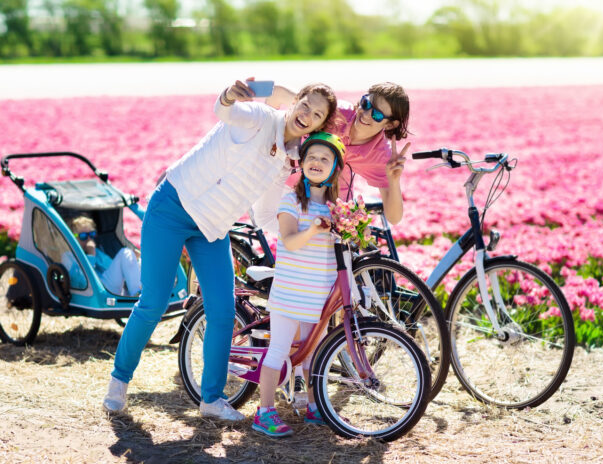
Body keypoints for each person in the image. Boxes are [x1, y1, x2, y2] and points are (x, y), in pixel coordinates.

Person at [103, 79, 338, 420]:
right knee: (153, 302)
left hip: (212, 228)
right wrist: (229, 95)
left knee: (223, 310)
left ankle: (211, 399)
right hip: (173, 205)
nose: (308, 115)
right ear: (295, 100)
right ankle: (118, 382)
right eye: (306, 105)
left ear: (318, 125)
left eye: (317, 115)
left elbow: (265, 214)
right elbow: (225, 111)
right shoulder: (261, 117)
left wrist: (310, 231)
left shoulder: (289, 160)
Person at [252, 132, 345, 438]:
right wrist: (314, 230)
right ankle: (264, 411)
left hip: (318, 296)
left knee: (314, 354)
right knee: (278, 350)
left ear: (334, 168)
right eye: (311, 157)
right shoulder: (291, 200)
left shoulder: (335, 208)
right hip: (291, 293)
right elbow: (290, 241)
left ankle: (315, 406)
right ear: (302, 163)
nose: (317, 163)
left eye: (325, 159)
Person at [257, 82, 410, 226]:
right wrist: (265, 139)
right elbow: (277, 94)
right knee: (282, 229)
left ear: (390, 124)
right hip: (285, 183)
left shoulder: (380, 155)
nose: (366, 114)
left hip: (331, 206)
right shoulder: (336, 112)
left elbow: (394, 218)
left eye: (377, 115)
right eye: (366, 104)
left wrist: (394, 180)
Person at [63, 215, 141, 296]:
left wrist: (132, 261)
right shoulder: (68, 256)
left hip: (106, 285)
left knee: (136, 259)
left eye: (92, 234)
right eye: (83, 236)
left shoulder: (96, 251)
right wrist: (90, 256)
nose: (89, 239)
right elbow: (80, 282)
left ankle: (139, 293)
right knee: (124, 252)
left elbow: (110, 267)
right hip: (95, 292)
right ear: (73, 237)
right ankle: (137, 295)